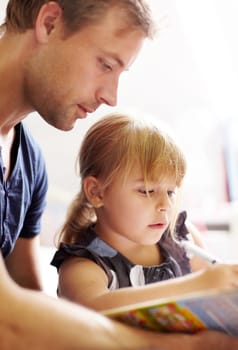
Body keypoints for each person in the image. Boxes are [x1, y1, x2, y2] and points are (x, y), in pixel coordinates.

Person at [0, 0, 238, 349]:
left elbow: (33, 306)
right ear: (49, 23)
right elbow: (10, 323)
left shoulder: (29, 162)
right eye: (105, 64)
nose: (111, 97)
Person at [51, 112, 238, 312]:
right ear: (96, 192)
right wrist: (197, 284)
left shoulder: (183, 240)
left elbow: (219, 296)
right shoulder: (83, 265)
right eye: (147, 191)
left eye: (171, 192)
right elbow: (93, 308)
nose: (165, 204)